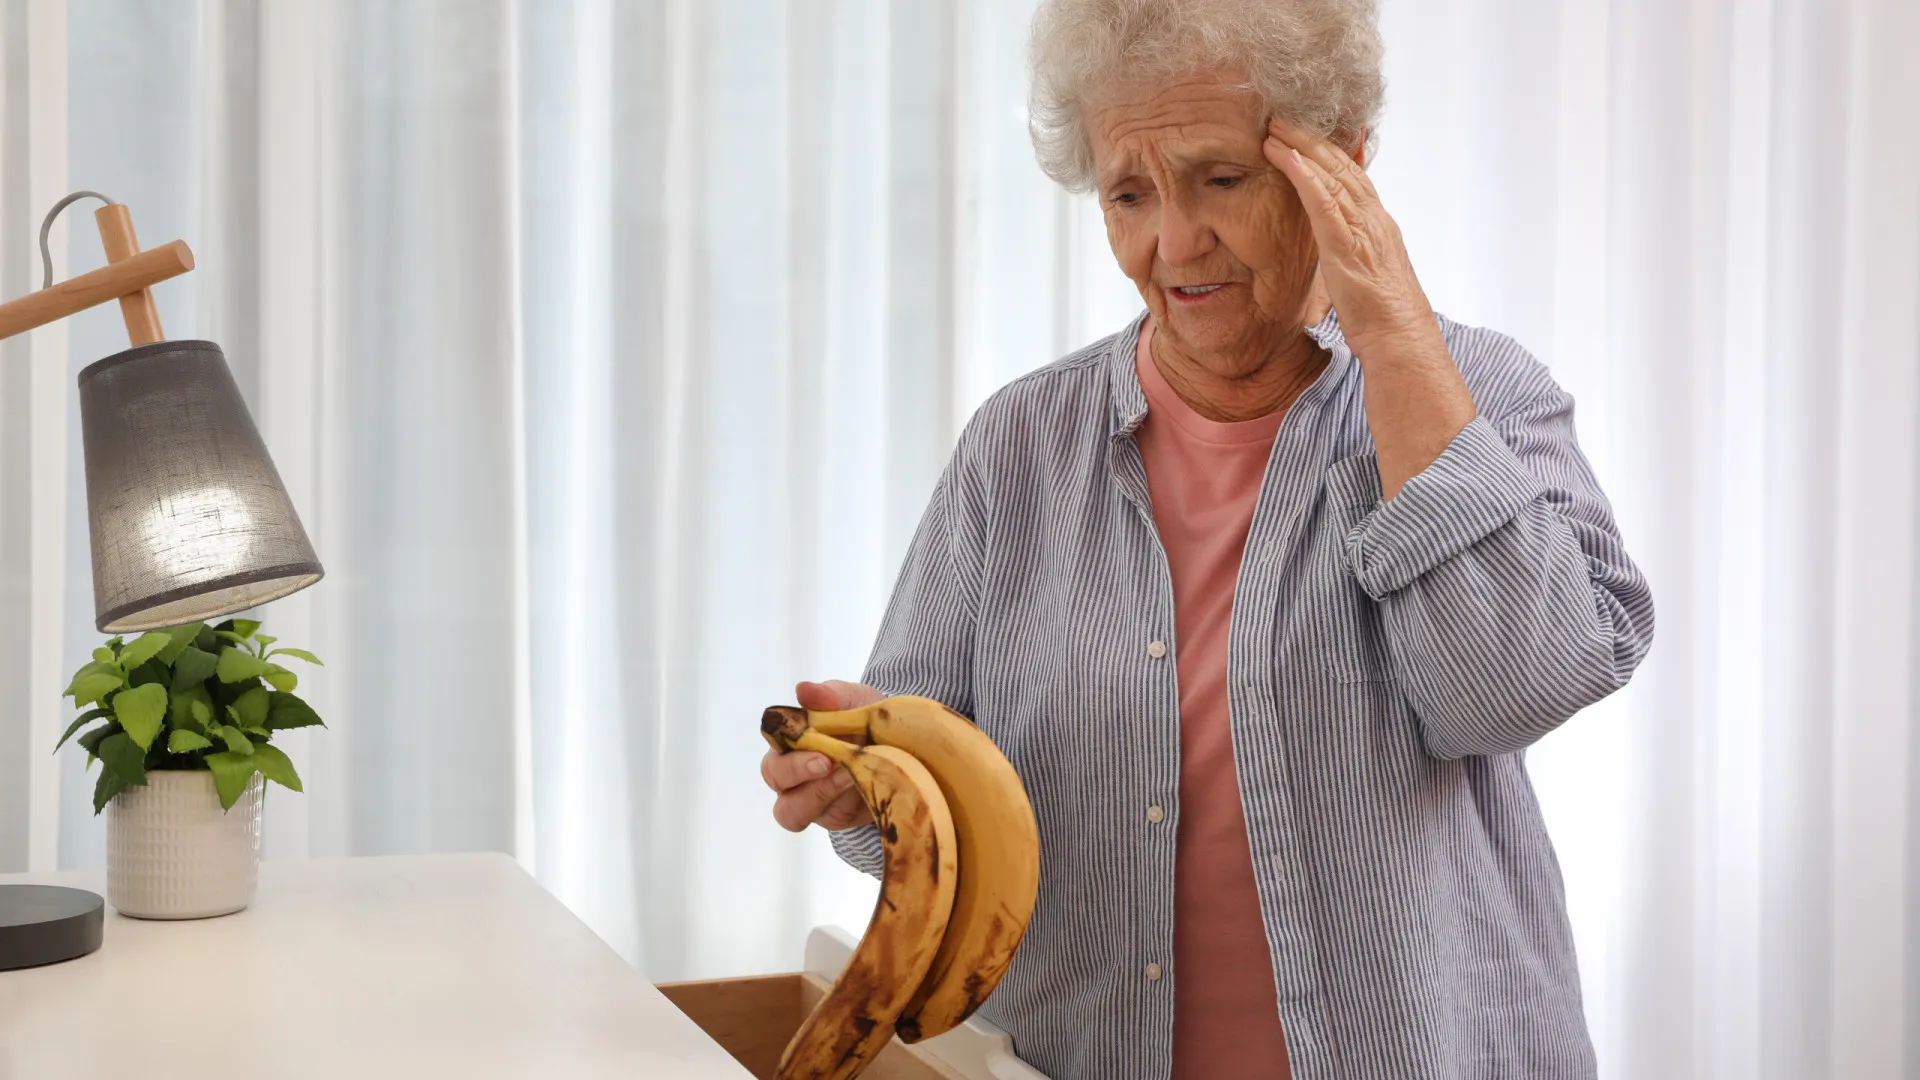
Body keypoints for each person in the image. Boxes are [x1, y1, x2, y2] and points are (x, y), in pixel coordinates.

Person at [760, 1, 1654, 1076]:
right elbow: (933, 810)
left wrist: (1393, 337)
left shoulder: (1484, 394)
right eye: (1129, 194)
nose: (1173, 244)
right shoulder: (1020, 448)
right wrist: (863, 790)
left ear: (1343, 164)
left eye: (1220, 179)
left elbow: (1515, 684)